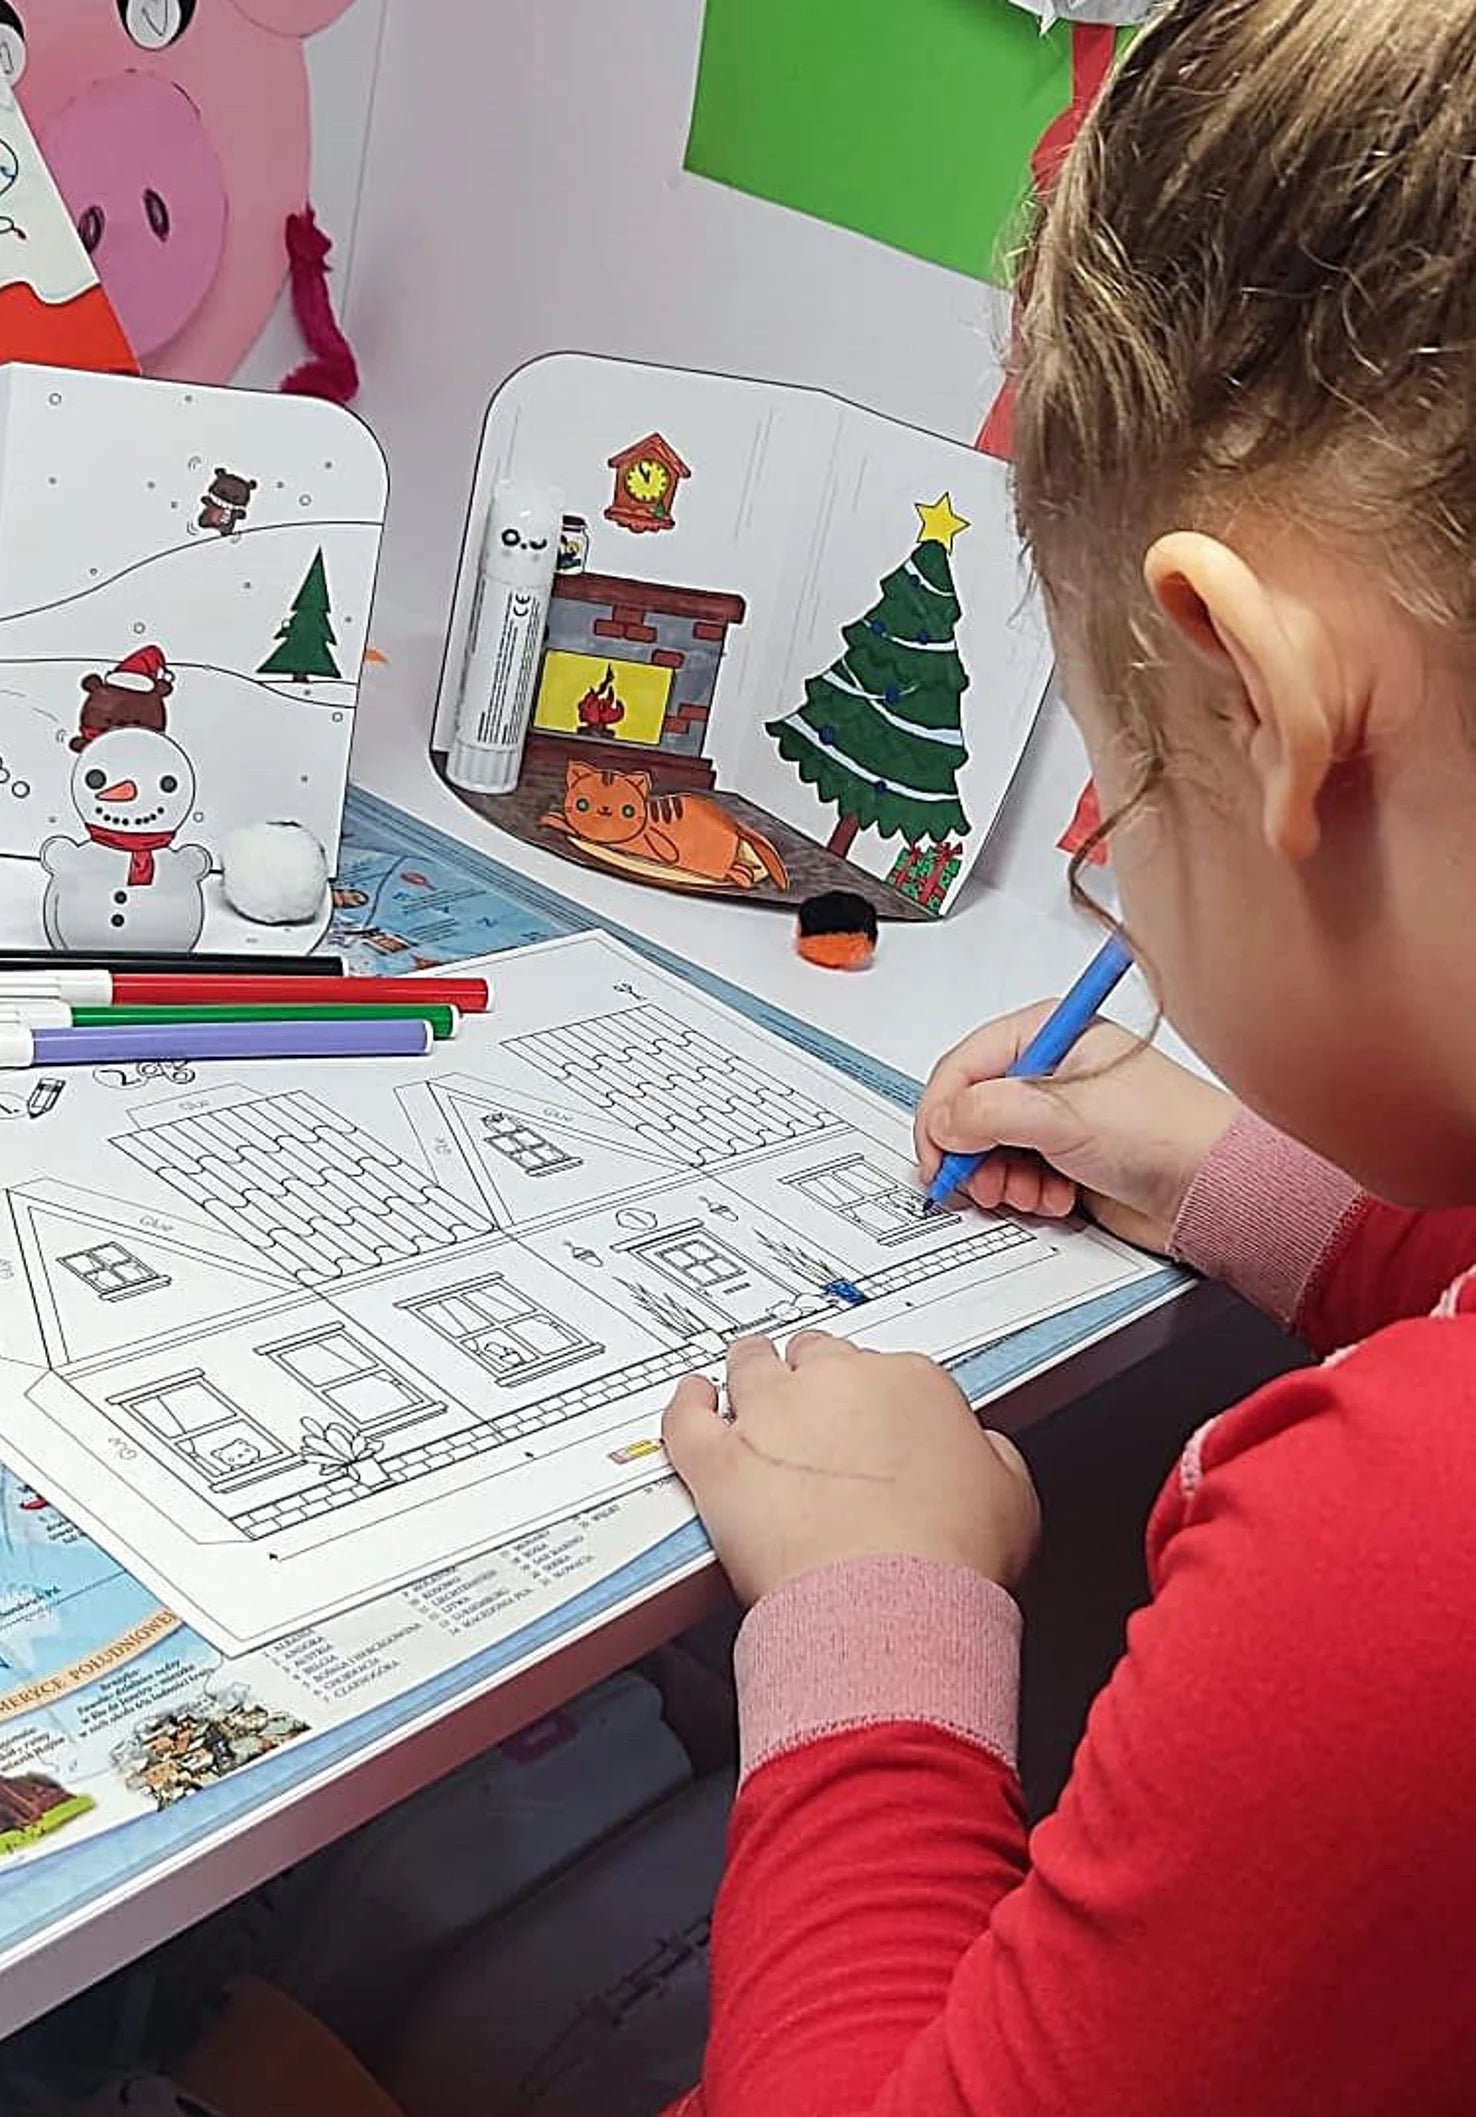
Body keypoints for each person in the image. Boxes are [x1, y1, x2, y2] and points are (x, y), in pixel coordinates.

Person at [659, 2, 1476, 2110]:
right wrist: (1227, 1169)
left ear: (1255, 706)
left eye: (1118, 790)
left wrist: (878, 1591)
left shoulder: (1400, 1578)